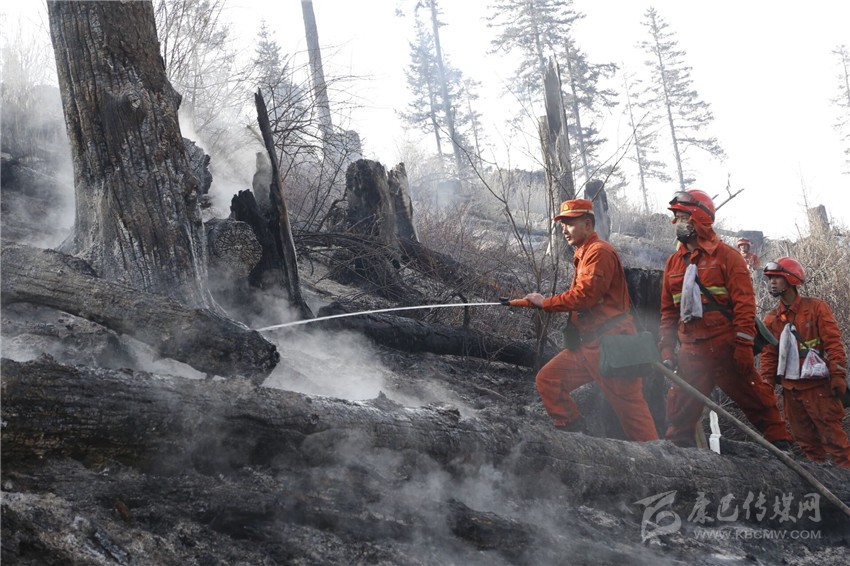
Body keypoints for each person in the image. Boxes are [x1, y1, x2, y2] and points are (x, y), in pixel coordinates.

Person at [658, 189, 792, 449]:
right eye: (677, 217)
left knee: (759, 402)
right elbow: (668, 312)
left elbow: (744, 305)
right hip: (691, 352)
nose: (677, 223)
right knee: (679, 414)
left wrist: (743, 346)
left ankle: (783, 451)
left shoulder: (728, 257)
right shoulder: (674, 264)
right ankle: (680, 461)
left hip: (726, 349)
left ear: (699, 218)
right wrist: (666, 346)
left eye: (683, 217)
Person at [519, 198, 659, 441]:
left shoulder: (599, 252)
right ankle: (574, 434)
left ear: (587, 224)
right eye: (562, 224)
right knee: (549, 380)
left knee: (632, 413)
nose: (564, 230)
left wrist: (545, 303)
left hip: (613, 346)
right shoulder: (584, 253)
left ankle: (660, 460)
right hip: (589, 345)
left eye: (570, 223)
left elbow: (584, 296)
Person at [758, 257, 850, 468]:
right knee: (808, 447)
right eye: (770, 279)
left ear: (790, 279)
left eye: (777, 278)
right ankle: (820, 483)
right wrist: (766, 385)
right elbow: (769, 356)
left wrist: (838, 374)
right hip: (791, 391)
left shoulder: (816, 308)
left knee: (836, 444)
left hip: (818, 389)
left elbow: (833, 343)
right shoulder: (772, 319)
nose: (772, 282)